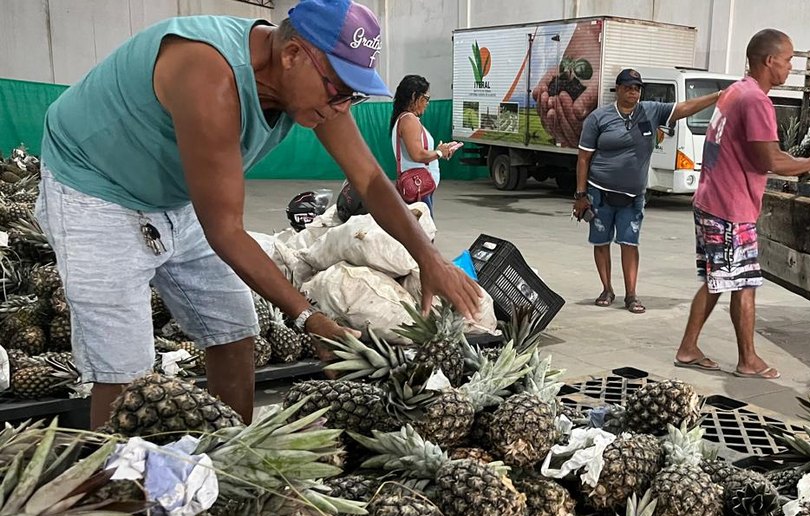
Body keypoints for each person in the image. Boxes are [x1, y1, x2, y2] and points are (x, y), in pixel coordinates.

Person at [35, 0, 482, 428]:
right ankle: (113, 486)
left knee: (234, 327)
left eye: (354, 97)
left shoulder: (316, 86)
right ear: (292, 54)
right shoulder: (207, 75)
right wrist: (308, 317)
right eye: (339, 91)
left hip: (173, 195)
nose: (340, 108)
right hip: (95, 189)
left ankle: (229, 453)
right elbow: (226, 232)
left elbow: (369, 180)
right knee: (125, 368)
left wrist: (429, 259)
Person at [674, 29, 810, 378]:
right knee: (742, 283)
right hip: (730, 208)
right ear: (769, 60)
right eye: (788, 59)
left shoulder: (736, 91)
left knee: (719, 279)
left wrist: (793, 157)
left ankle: (688, 348)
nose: (791, 66)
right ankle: (747, 360)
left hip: (713, 201)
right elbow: (769, 162)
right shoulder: (757, 101)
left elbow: (767, 152)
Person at [572, 68, 722, 314]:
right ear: (618, 89)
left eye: (637, 88)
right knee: (601, 242)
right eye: (628, 87)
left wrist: (716, 96)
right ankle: (607, 289)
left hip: (633, 195)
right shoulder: (598, 118)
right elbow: (583, 159)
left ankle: (631, 295)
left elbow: (684, 108)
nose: (633, 92)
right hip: (600, 191)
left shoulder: (651, 111)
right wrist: (580, 195)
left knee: (629, 242)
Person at [390, 74, 459, 212]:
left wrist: (439, 151)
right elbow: (417, 154)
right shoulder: (409, 120)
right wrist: (439, 152)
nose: (428, 103)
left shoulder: (406, 119)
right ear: (415, 96)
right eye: (426, 98)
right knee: (423, 231)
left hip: (419, 187)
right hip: (418, 188)